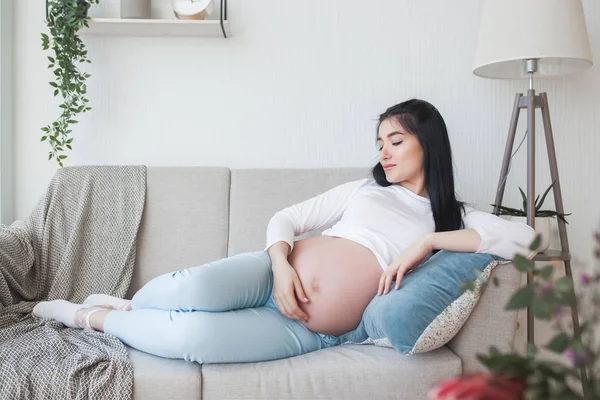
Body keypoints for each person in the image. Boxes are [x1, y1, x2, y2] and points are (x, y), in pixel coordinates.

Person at [33, 99, 536, 364]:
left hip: (305, 330)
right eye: (379, 141)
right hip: (270, 272)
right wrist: (279, 265)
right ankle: (129, 305)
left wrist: (429, 241)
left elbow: (533, 241)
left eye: (396, 140)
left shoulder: (455, 218)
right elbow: (285, 220)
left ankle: (87, 317)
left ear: (428, 143)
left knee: (194, 338)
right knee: (191, 287)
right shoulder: (364, 190)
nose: (383, 151)